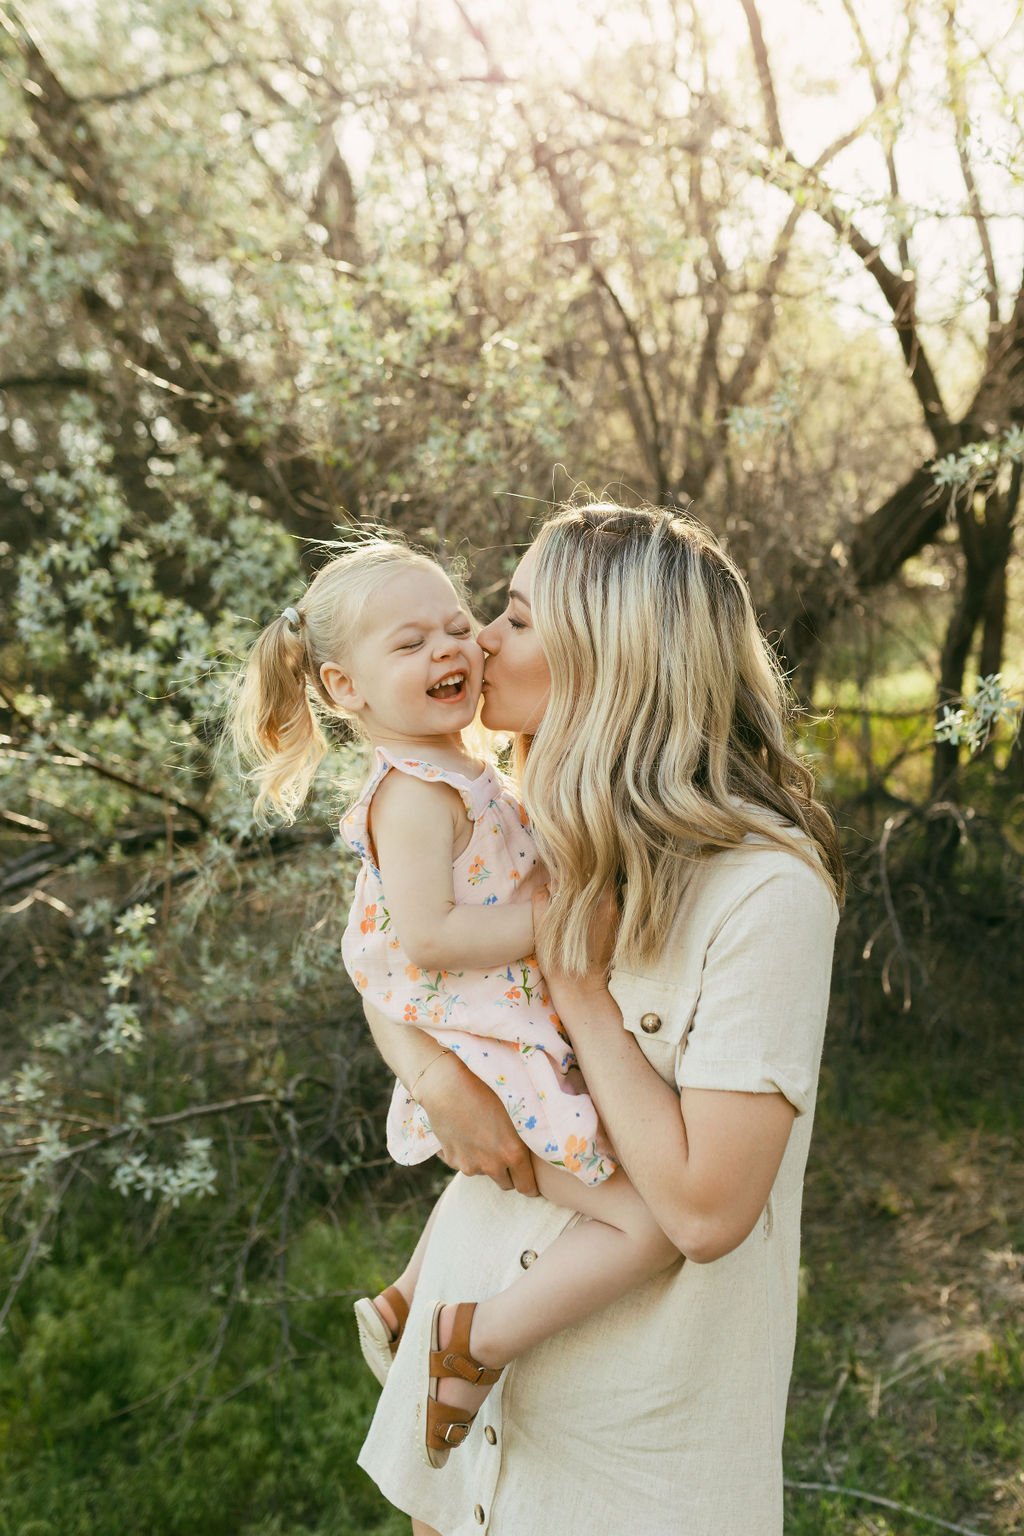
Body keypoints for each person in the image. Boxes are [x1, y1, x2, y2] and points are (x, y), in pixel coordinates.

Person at [357, 503, 844, 1536]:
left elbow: (707, 1214)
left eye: (519, 618)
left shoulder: (762, 894)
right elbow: (380, 954)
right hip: (466, 1406)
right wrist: (438, 1083)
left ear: (610, 662)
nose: (482, 639)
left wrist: (577, 991)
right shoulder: (532, 824)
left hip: (623, 1448)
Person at [228, 538, 681, 1469]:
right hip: (496, 1051)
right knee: (647, 1222)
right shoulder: (412, 797)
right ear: (343, 688)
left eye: (453, 624)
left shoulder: (468, 769)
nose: (452, 648)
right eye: (409, 645)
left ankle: (404, 1300)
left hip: (503, 1032)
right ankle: (475, 1345)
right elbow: (425, 938)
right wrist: (551, 927)